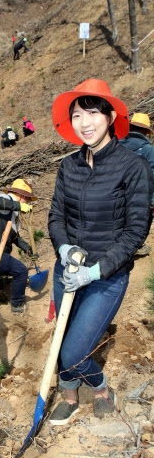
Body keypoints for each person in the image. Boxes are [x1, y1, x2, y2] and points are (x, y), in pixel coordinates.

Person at [48, 78, 153, 426]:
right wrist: (64, 248)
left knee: (74, 352)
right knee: (62, 336)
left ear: (109, 117)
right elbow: (56, 216)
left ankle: (102, 389)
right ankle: (69, 396)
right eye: (77, 115)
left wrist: (94, 272)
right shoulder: (69, 166)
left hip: (106, 276)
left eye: (93, 113)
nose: (85, 122)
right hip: (67, 271)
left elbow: (136, 230)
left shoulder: (132, 167)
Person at [0, 180, 36, 313]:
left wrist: (27, 249)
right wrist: (19, 206)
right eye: (28, 199)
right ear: (21, 196)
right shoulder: (6, 199)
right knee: (21, 271)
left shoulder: (13, 213)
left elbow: (14, 237)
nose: (28, 202)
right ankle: (17, 305)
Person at [120, 112, 154, 256]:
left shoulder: (116, 144)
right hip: (140, 193)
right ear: (145, 131)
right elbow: (152, 174)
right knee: (143, 219)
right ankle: (136, 246)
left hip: (118, 191)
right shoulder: (147, 149)